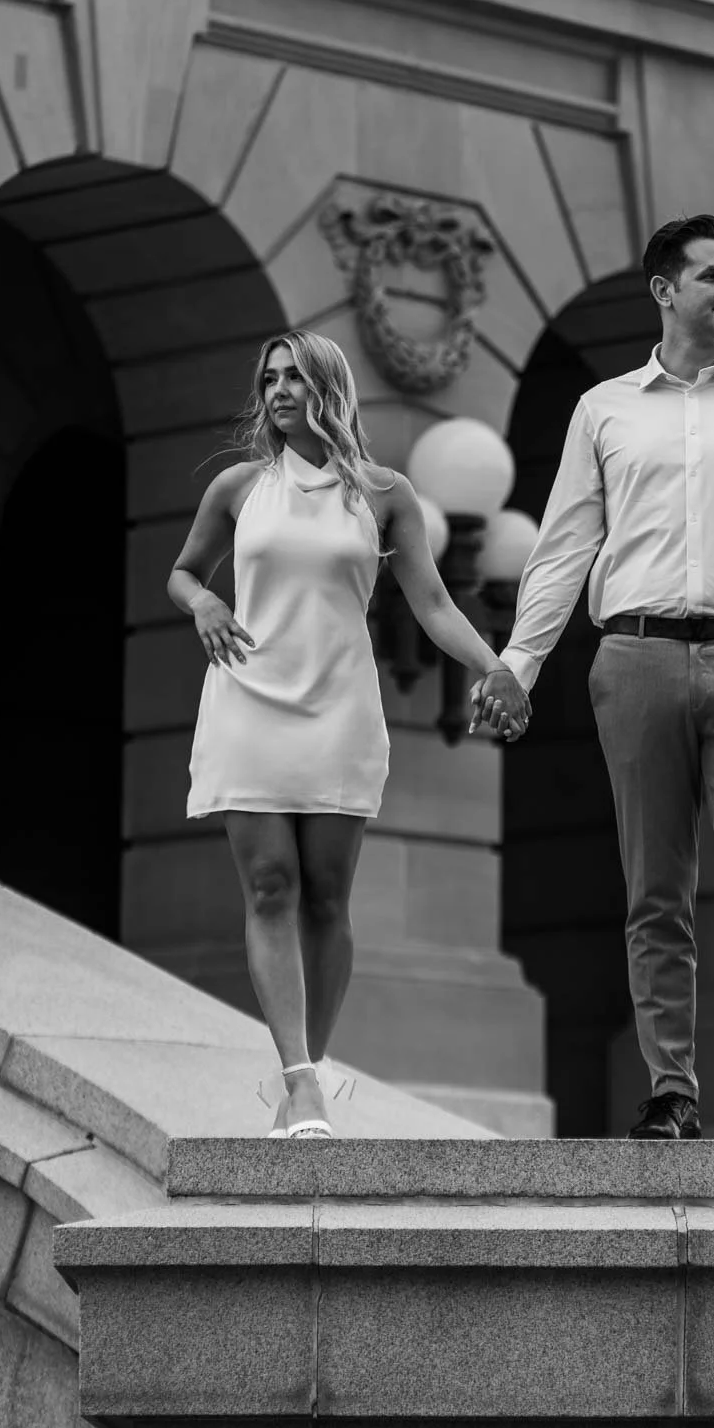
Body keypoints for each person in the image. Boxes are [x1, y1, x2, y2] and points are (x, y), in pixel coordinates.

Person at [473, 214, 714, 1141]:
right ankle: (671, 1091)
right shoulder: (604, 409)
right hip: (633, 657)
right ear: (664, 290)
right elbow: (561, 551)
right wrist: (518, 663)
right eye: (713, 276)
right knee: (654, 888)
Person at [168, 330, 529, 1139]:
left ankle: (311, 1069)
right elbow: (184, 569)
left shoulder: (384, 492)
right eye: (268, 379)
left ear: (328, 386)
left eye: (295, 376)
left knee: (327, 898)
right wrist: (204, 603)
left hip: (340, 708)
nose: (279, 390)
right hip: (249, 698)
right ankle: (299, 1081)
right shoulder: (237, 487)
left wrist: (495, 667)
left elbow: (433, 604)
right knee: (269, 887)